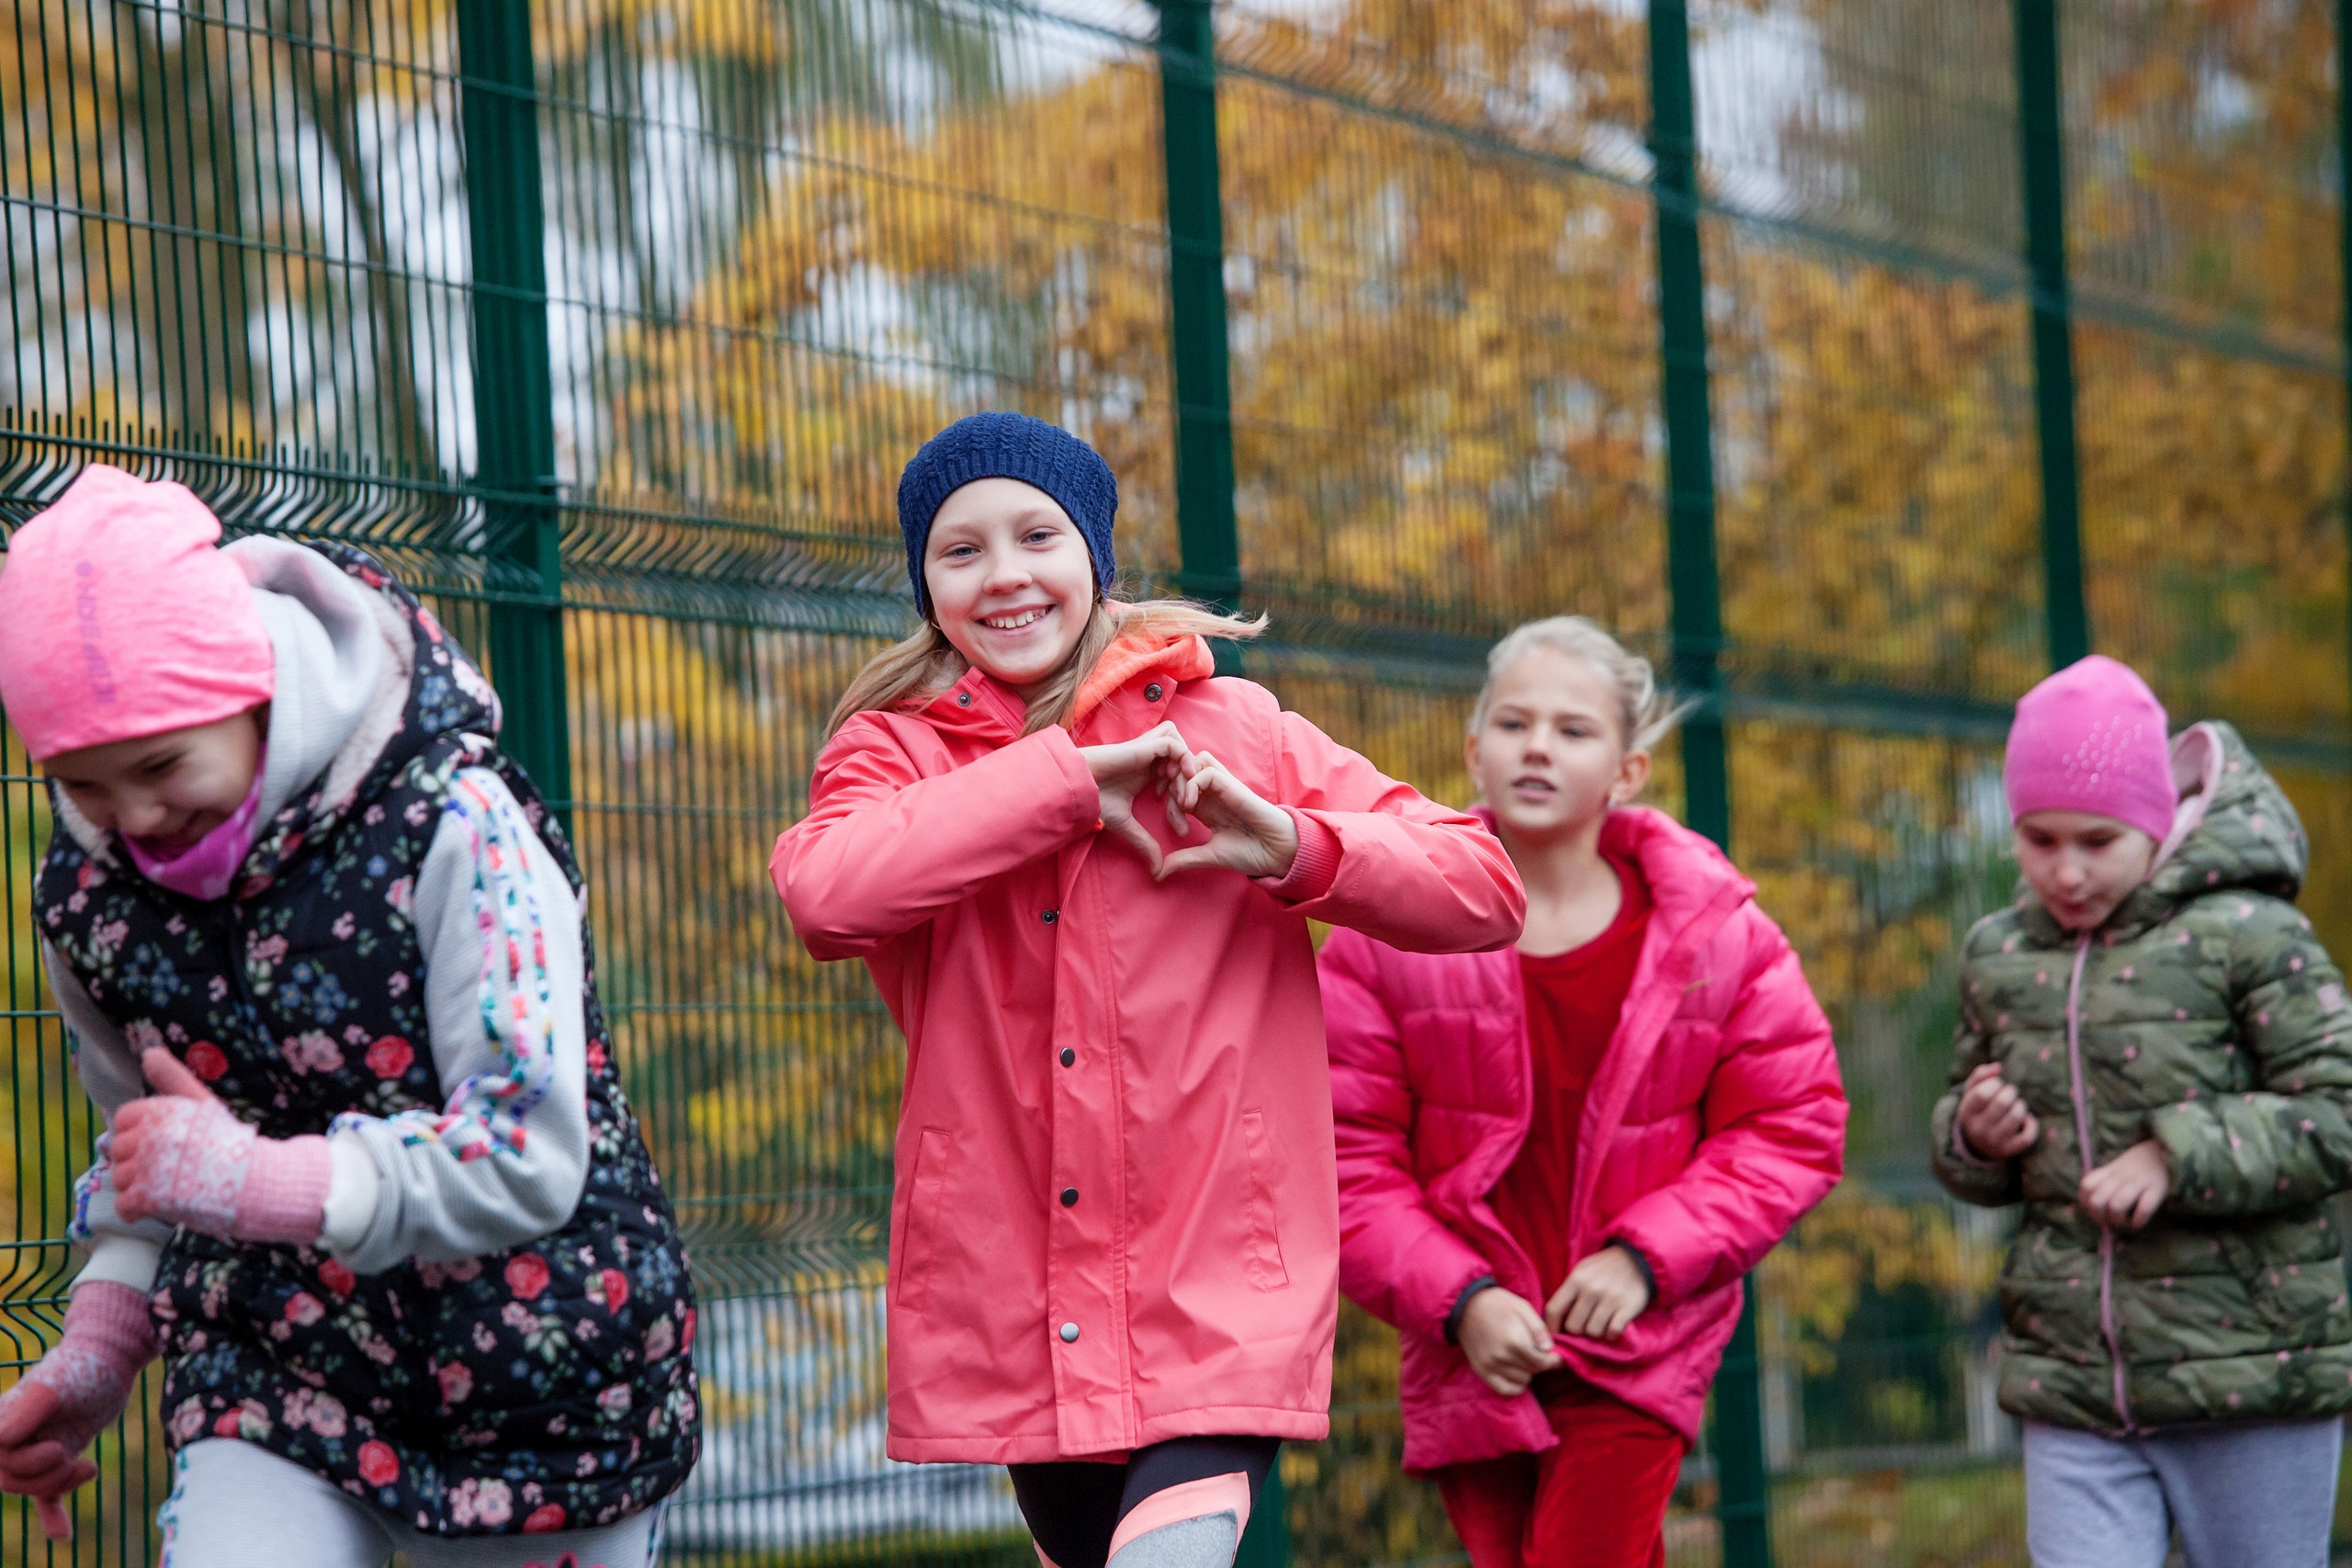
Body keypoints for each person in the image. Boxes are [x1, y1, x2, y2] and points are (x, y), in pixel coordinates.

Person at [769, 412, 1526, 1568]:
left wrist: (1291, 844)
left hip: (1221, 1281)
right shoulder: (893, 751)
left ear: (1096, 559)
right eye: (960, 551)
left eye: (1037, 536)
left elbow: (1482, 889)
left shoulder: (1237, 731)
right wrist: (1062, 783)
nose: (1006, 575)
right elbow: (828, 895)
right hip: (1020, 1298)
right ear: (925, 588)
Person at [0, 467, 698, 1566]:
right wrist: (99, 1345)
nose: (133, 819)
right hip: (280, 1372)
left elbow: (531, 1151)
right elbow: (158, 1151)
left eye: (161, 764)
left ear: (255, 691)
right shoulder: (93, 899)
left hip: (537, 1385)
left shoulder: (457, 826)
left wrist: (262, 1182)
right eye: (81, 785)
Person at [1321, 615, 1846, 1568]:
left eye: (1573, 731)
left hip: (1639, 1345)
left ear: (1626, 771)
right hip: (1472, 1350)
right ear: (1475, 753)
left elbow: (1792, 1125)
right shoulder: (1387, 930)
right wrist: (1462, 1302)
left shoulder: (1718, 934)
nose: (1538, 748)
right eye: (1515, 725)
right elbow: (1339, 1160)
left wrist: (1645, 1260)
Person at [1930, 654, 2352, 1568]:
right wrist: (1974, 1136)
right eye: (2039, 841)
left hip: (2248, 1371)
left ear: (2157, 822)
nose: (2066, 872)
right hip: (2075, 1380)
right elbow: (1970, 1119)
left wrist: (2175, 1156)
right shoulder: (1998, 953)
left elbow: (2335, 1109)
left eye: (2096, 840)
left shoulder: (2252, 934)